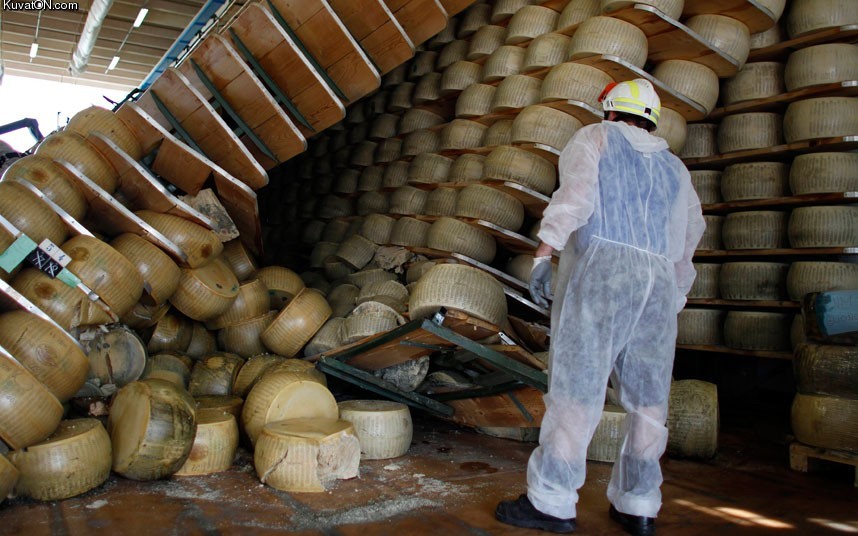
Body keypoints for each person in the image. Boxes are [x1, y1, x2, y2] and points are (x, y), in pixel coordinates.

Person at [495, 79, 706, 535]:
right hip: (659, 283)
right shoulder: (675, 168)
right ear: (650, 119)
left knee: (577, 387)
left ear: (609, 111)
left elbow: (575, 199)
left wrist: (543, 253)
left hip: (604, 273)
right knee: (650, 398)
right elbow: (689, 236)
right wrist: (675, 295)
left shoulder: (595, 138)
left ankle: (552, 501)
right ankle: (639, 504)